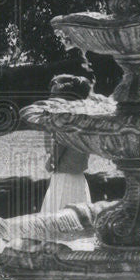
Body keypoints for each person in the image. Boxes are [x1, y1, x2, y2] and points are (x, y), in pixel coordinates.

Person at [41, 74, 93, 213]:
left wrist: (51, 160)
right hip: (78, 174)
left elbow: (59, 145)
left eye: (53, 96)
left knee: (58, 211)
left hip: (64, 175)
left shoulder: (65, 121)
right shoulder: (83, 119)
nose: (50, 100)